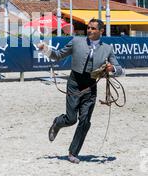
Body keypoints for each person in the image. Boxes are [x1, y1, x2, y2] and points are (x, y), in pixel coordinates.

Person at [39, 19, 123, 164]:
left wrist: (112, 69)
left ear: (101, 31)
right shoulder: (76, 41)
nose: (89, 30)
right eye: (88, 28)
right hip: (74, 83)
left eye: (93, 28)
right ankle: (58, 123)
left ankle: (73, 152)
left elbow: (120, 69)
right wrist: (45, 49)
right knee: (71, 119)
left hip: (90, 87)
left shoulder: (107, 49)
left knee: (84, 121)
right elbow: (58, 55)